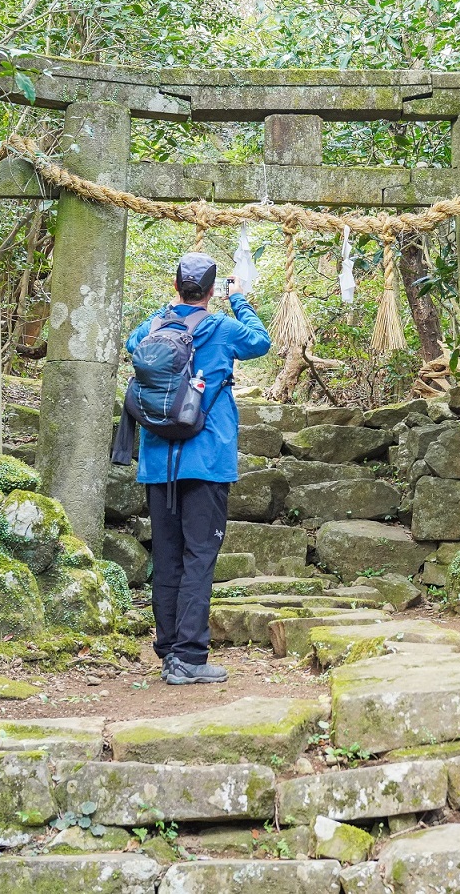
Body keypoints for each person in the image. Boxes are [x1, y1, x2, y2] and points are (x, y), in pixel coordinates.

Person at [126, 252, 271, 684]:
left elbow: (135, 345)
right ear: (211, 292)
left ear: (175, 287)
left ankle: (170, 651)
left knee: (167, 558)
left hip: (158, 462)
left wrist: (167, 312)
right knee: (199, 557)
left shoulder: (152, 327)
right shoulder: (222, 327)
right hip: (206, 460)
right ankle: (189, 658)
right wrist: (239, 300)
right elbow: (260, 342)